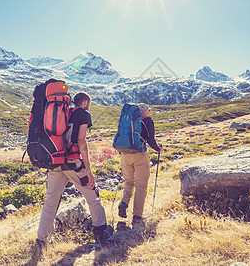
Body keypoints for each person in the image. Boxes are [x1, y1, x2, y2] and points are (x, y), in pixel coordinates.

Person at [36, 91, 111, 248]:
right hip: (73, 163)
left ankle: (42, 239)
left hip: (55, 161)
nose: (89, 106)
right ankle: (100, 232)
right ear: (84, 102)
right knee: (92, 195)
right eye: (89, 104)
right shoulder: (82, 114)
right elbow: (81, 141)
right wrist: (88, 170)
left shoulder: (63, 112)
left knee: (50, 200)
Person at [118, 103, 163, 227]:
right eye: (148, 110)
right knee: (141, 185)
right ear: (144, 112)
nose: (149, 112)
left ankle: (124, 203)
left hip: (125, 154)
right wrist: (158, 149)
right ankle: (137, 216)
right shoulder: (147, 121)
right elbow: (150, 139)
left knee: (129, 182)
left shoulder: (127, 119)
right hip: (140, 154)